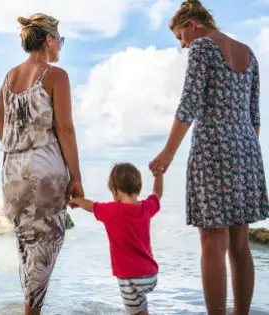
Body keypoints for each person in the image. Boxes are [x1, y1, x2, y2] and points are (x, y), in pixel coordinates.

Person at [149, 1, 269, 314]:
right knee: (241, 246)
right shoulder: (248, 53)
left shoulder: (202, 47)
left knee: (212, 245)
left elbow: (189, 105)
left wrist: (168, 152)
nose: (182, 44)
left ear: (192, 24)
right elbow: (255, 117)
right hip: (247, 152)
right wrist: (240, 152)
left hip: (212, 151)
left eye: (179, 36)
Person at [0, 13, 84, 315]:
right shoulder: (56, 76)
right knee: (45, 251)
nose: (61, 46)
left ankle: (30, 308)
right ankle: (31, 312)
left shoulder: (9, 77)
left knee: (27, 251)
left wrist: (18, 151)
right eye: (60, 39)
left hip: (11, 175)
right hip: (44, 176)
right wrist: (76, 176)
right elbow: (66, 130)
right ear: (49, 40)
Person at [69, 163, 163, 315]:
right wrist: (159, 175)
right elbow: (157, 194)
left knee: (135, 312)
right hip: (149, 275)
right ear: (138, 190)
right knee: (142, 309)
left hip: (129, 276)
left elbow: (91, 206)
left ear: (115, 191)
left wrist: (77, 200)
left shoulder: (111, 210)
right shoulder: (146, 207)